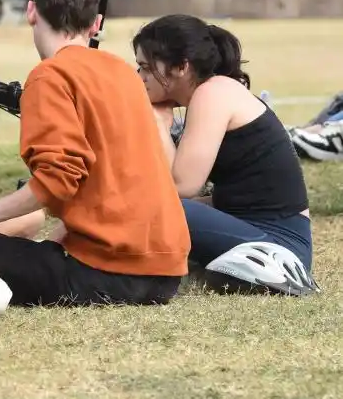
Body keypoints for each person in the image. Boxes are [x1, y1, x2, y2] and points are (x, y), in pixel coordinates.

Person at [0, 0, 190, 307]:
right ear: (95, 23)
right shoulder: (123, 72)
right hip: (166, 274)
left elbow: (58, 179)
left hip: (107, 275)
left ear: (32, 11)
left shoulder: (49, 77)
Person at [134, 14, 314, 274]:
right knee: (144, 203)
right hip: (257, 229)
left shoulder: (213, 93)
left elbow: (181, 186)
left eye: (146, 67)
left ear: (181, 66)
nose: (139, 76)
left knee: (152, 207)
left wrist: (158, 121)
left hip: (280, 247)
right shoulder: (214, 91)